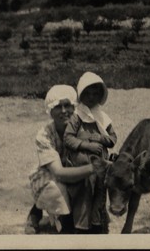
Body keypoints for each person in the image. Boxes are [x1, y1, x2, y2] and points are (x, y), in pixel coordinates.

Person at [25, 84, 107, 234]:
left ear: (74, 106)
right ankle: (37, 212)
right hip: (53, 175)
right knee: (56, 189)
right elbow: (58, 173)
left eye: (67, 105)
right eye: (57, 107)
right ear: (50, 111)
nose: (63, 111)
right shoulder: (45, 135)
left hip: (76, 171)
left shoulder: (82, 128)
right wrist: (94, 168)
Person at [64, 72, 117, 234]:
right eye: (87, 93)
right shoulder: (77, 116)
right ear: (81, 94)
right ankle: (81, 227)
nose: (91, 98)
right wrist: (87, 146)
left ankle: (97, 225)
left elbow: (113, 139)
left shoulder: (102, 116)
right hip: (82, 167)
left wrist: (101, 138)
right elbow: (68, 138)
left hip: (100, 165)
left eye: (95, 94)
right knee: (84, 195)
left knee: (100, 194)